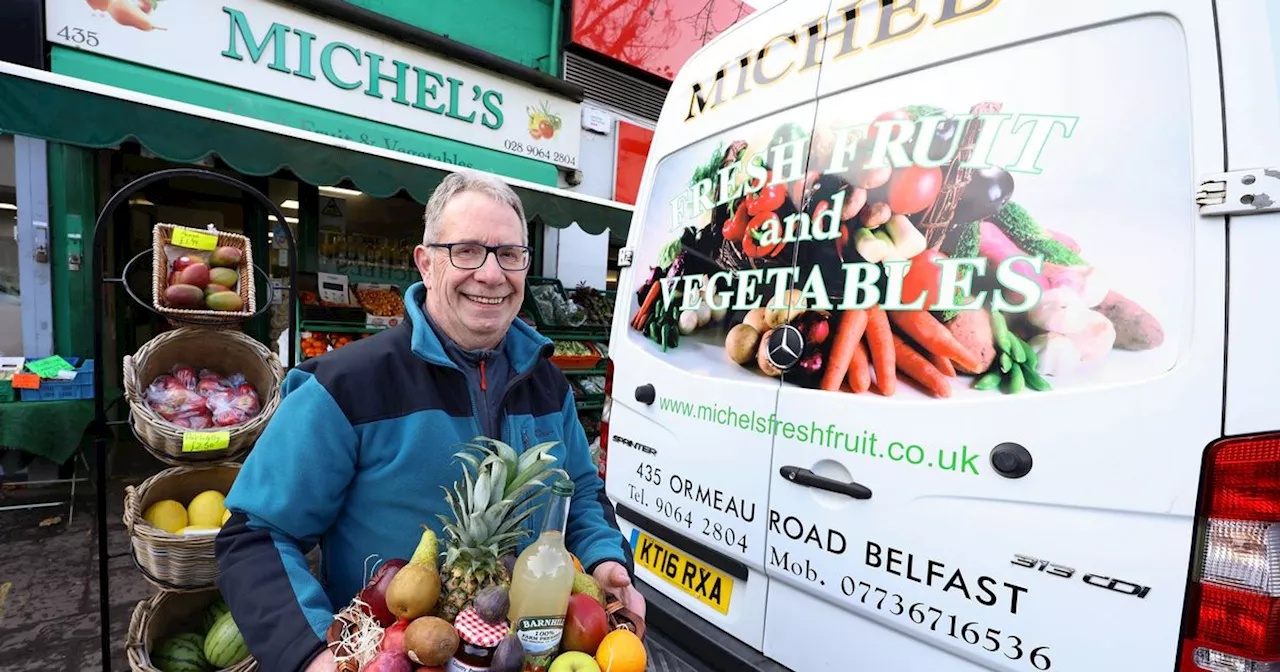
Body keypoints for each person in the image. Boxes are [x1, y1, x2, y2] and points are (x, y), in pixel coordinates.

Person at [214, 170, 642, 672]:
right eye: (466, 251)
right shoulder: (346, 385)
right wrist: (312, 653)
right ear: (426, 261)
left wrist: (605, 559)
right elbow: (256, 535)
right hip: (389, 656)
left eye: (509, 254)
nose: (490, 274)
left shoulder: (547, 383)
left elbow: (582, 493)